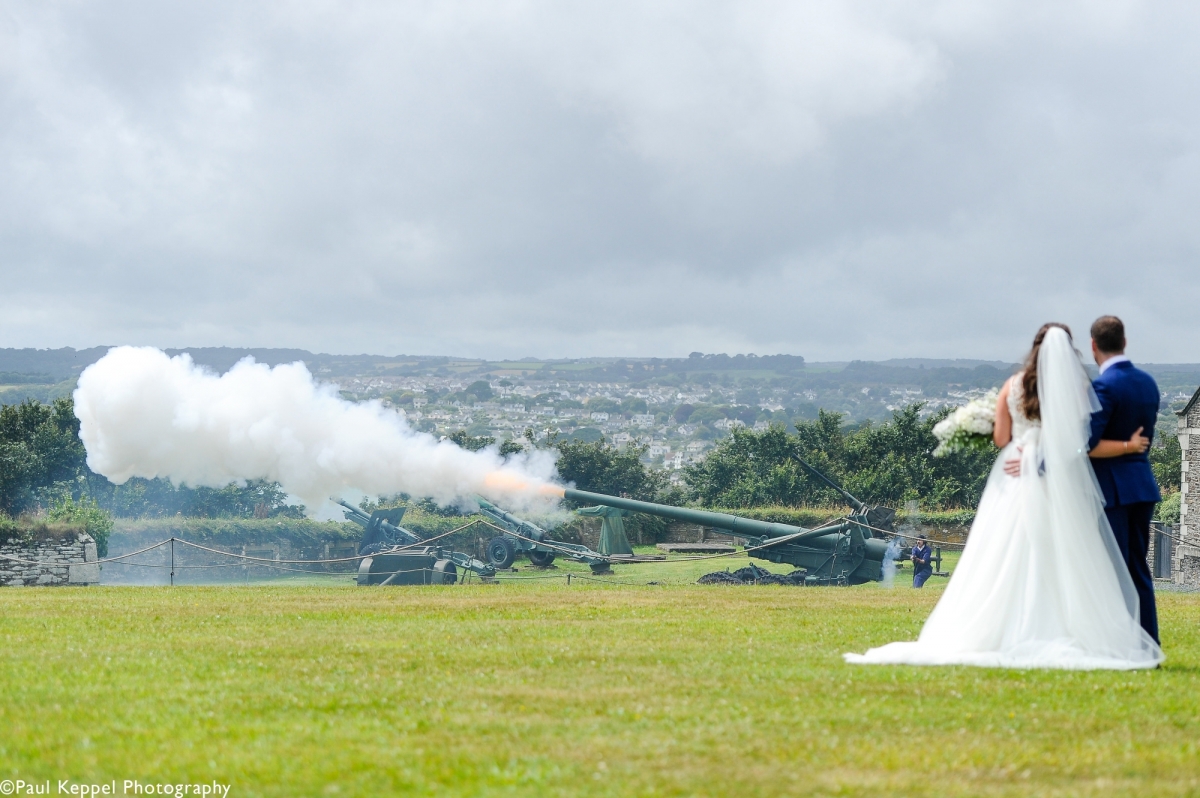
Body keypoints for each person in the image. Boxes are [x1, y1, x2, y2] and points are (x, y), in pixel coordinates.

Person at [845, 324, 1163, 669]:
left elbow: (1001, 438)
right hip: (1057, 478)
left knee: (1003, 548)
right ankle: (1069, 627)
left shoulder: (1013, 386)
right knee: (1066, 553)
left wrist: (1007, 437)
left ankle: (1002, 624)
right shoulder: (1079, 387)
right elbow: (1076, 440)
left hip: (1015, 472)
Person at [1085, 316, 1161, 644]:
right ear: (1124, 341)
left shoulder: (1103, 386)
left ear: (1093, 346)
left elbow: (1088, 446)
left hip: (1114, 491)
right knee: (1138, 569)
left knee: (1115, 570)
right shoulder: (1148, 382)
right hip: (1142, 485)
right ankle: (1148, 643)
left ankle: (1123, 645)